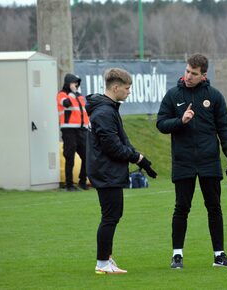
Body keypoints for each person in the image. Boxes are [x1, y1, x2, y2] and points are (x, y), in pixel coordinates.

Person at [156, 53, 227, 269]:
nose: (188, 76)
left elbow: (224, 129)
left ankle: (219, 255)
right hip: (183, 161)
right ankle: (177, 256)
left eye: (194, 73)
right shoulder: (173, 95)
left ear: (204, 75)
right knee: (181, 208)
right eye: (187, 71)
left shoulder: (214, 96)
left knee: (214, 207)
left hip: (209, 161)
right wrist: (180, 121)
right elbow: (161, 124)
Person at [86, 68, 157, 275]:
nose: (129, 92)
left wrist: (139, 157)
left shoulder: (108, 108)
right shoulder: (104, 112)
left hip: (108, 171)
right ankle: (102, 263)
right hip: (106, 172)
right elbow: (113, 147)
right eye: (127, 88)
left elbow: (120, 141)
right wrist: (137, 158)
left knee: (113, 215)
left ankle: (106, 258)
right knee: (110, 216)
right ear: (115, 87)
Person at [56, 73, 90, 191]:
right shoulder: (62, 95)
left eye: (77, 83)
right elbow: (66, 104)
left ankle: (82, 181)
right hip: (69, 130)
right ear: (68, 83)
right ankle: (69, 185)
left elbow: (84, 112)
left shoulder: (79, 96)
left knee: (87, 156)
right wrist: (72, 93)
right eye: (73, 82)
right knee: (69, 157)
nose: (76, 85)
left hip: (82, 130)